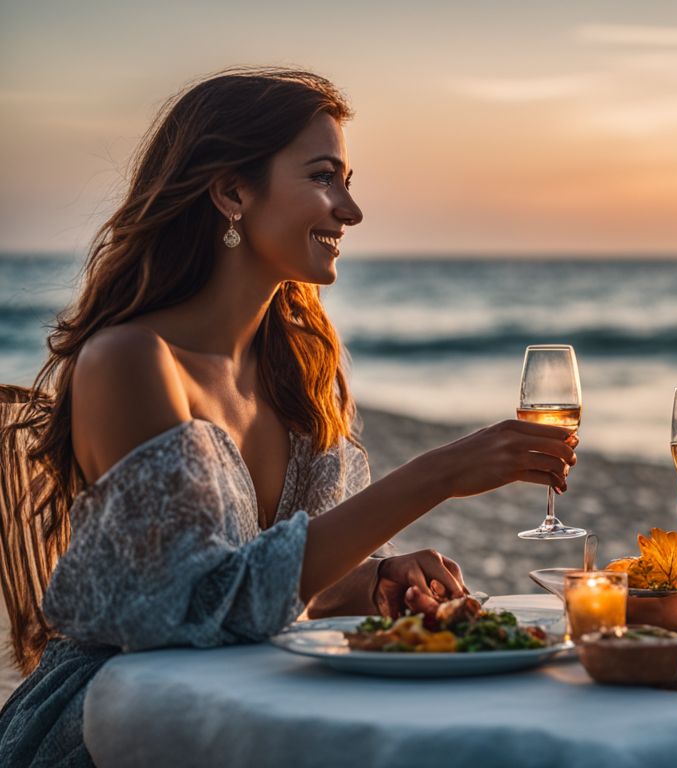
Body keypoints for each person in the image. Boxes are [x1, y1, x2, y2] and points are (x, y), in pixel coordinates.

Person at [0, 68, 578, 765]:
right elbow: (195, 607)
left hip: (256, 692)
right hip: (125, 721)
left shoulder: (301, 366)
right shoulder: (130, 360)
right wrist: (438, 474)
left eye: (348, 180)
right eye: (324, 177)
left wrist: (369, 580)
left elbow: (258, 577)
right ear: (231, 191)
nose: (351, 210)